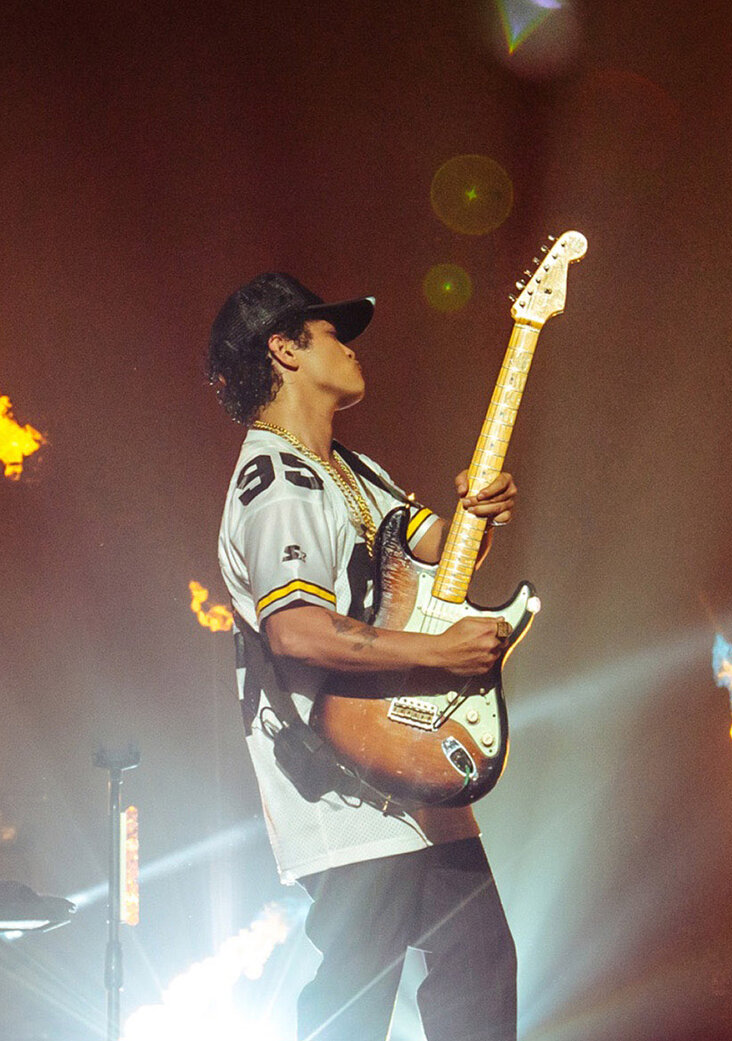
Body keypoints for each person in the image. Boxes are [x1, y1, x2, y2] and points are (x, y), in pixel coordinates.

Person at [209, 272, 519, 1041]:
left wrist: (477, 513)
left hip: (405, 763)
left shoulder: (354, 469)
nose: (350, 347)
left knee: (480, 964)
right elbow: (298, 630)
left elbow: (436, 554)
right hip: (341, 786)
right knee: (358, 987)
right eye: (330, 332)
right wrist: (440, 653)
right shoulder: (274, 482)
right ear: (283, 348)